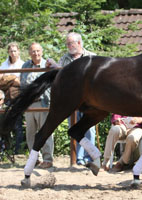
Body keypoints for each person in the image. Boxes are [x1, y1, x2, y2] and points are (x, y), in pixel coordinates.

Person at [46, 32, 97, 166]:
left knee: (89, 128)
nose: (68, 46)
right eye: (67, 43)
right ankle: (79, 158)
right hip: (72, 100)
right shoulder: (65, 59)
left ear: (79, 43)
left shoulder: (92, 57)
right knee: (74, 127)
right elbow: (61, 75)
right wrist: (55, 66)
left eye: (71, 43)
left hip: (90, 100)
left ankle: (90, 156)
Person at [21, 42, 54, 169]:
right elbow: (23, 84)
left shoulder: (48, 65)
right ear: (29, 53)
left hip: (43, 102)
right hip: (29, 104)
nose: (36, 53)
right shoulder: (25, 65)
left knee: (45, 131)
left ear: (42, 52)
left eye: (38, 51)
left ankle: (47, 159)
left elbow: (51, 85)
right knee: (30, 133)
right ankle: (35, 158)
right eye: (33, 51)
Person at [0, 42, 24, 154]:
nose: (13, 53)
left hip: (17, 96)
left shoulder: (23, 64)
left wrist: (8, 79)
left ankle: (18, 150)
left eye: (15, 51)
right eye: (11, 51)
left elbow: (21, 82)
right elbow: (1, 81)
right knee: (5, 122)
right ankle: (7, 148)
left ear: (18, 51)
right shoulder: (4, 65)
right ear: (8, 52)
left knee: (17, 123)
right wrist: (13, 78)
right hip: (6, 97)